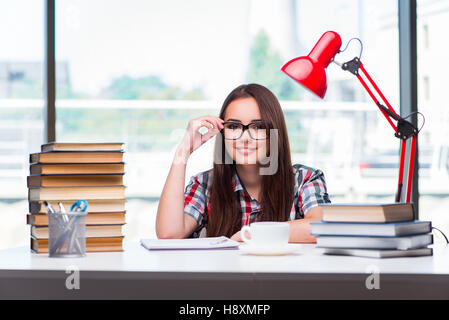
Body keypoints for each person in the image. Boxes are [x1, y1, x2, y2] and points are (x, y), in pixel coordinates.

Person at [156, 83, 331, 242]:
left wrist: (252, 234)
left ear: (274, 133)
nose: (245, 138)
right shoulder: (205, 184)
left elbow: (324, 227)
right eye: (233, 126)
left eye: (258, 127)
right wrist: (183, 152)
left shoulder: (304, 179)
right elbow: (168, 234)